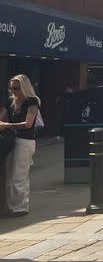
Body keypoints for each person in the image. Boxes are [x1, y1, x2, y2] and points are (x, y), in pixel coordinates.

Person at [0, 74, 41, 217]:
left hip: (25, 141)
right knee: (9, 175)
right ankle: (10, 206)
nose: (13, 91)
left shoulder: (32, 101)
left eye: (16, 88)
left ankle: (21, 207)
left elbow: (28, 124)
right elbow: (1, 118)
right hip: (10, 140)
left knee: (19, 175)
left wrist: (7, 125)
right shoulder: (10, 101)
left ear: (24, 87)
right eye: (11, 88)